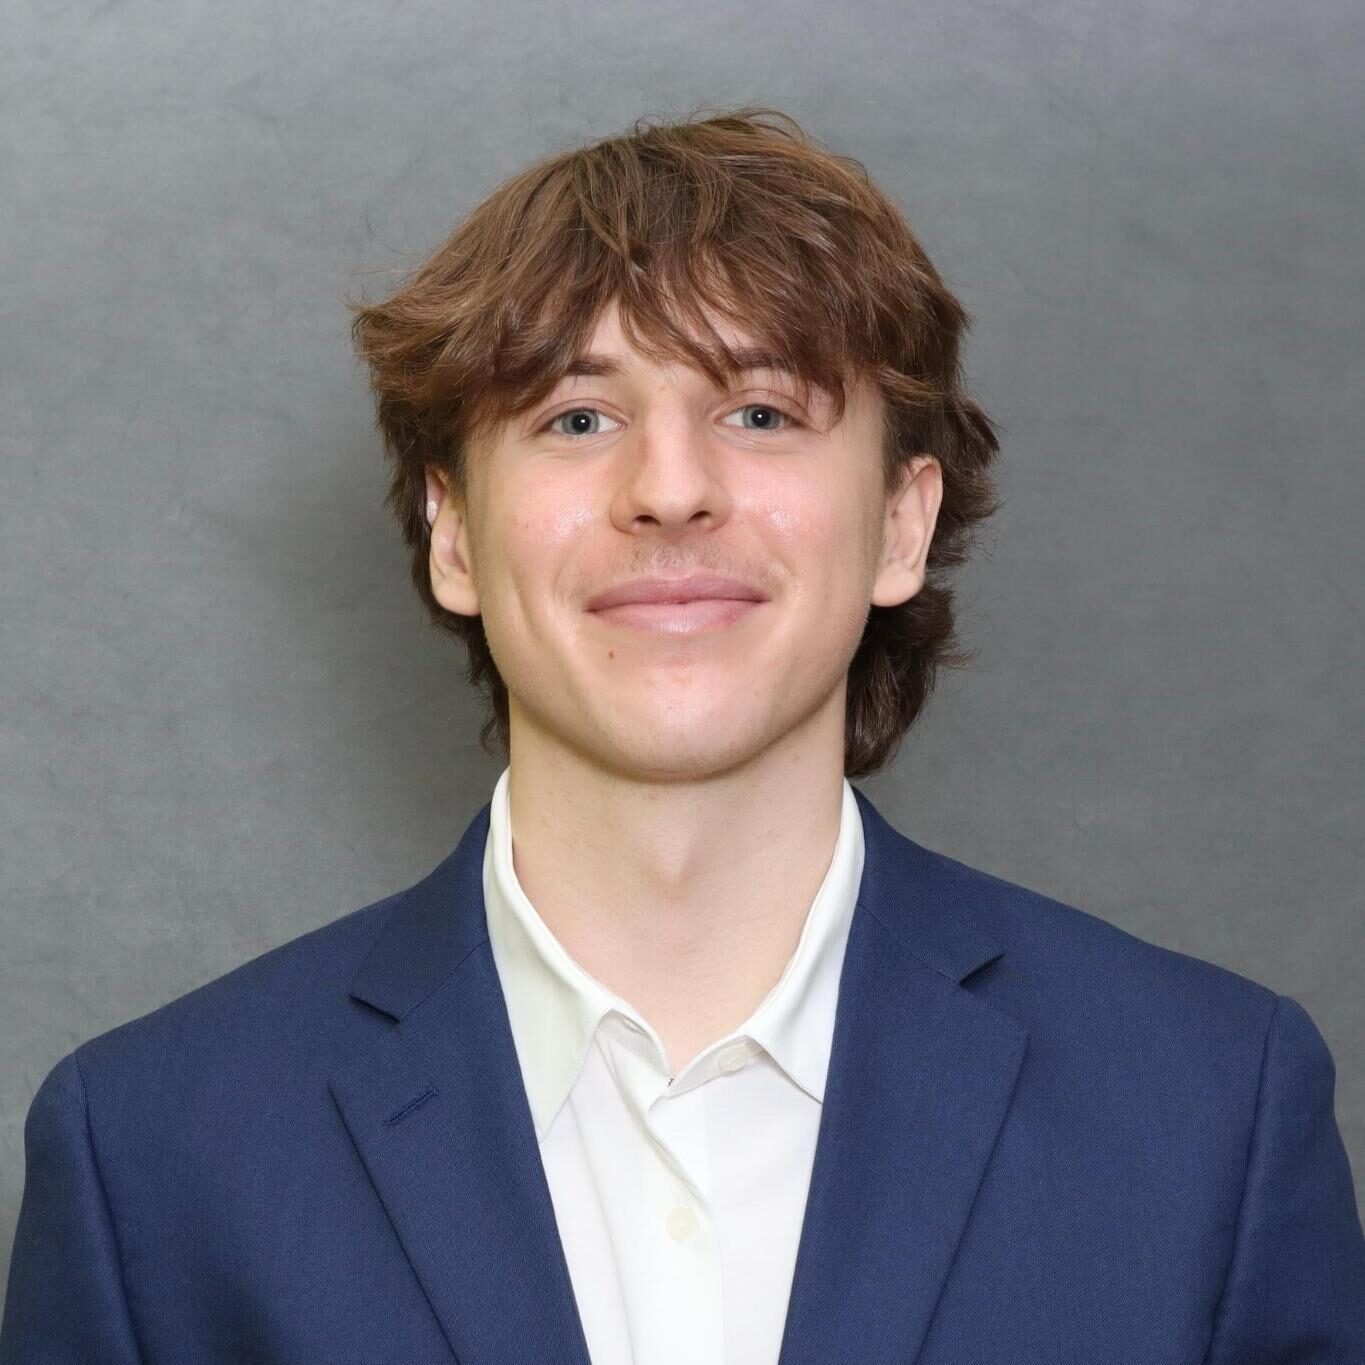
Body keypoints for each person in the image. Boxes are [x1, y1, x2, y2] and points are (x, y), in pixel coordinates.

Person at [2, 105, 1362, 1365]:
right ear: (453, 533)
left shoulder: (1209, 1111)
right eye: (577, 416)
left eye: (760, 411)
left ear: (901, 523)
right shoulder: (154, 1154)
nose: (668, 488)